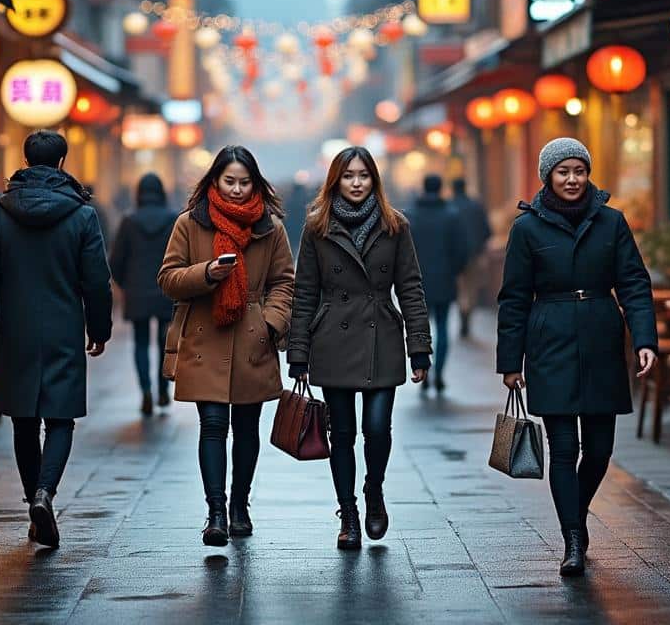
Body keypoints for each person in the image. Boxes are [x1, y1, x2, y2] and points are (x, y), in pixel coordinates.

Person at [496, 137, 658, 578]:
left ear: (588, 174)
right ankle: (572, 539)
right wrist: (510, 363)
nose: (572, 179)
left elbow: (634, 283)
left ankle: (577, 512)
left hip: (602, 338)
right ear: (548, 176)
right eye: (563, 171)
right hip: (550, 342)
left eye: (579, 171)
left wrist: (644, 339)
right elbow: (514, 298)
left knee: (600, 450)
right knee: (564, 449)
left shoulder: (611, 222)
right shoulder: (527, 229)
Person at [0, 130, 113, 549]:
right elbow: (96, 281)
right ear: (63, 163)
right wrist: (98, 329)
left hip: (14, 330)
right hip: (63, 328)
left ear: (26, 160)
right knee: (60, 419)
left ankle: (34, 497)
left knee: (24, 420)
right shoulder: (82, 216)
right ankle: (45, 494)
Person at [287, 146, 431, 550]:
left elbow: (411, 287)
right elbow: (305, 292)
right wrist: (298, 352)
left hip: (381, 334)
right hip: (333, 337)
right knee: (343, 434)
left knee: (377, 428)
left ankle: (374, 489)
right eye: (348, 176)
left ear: (374, 180)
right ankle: (348, 513)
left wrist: (419, 346)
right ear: (335, 180)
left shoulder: (395, 225)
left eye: (363, 175)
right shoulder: (317, 226)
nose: (356, 183)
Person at [157, 145, 294, 547]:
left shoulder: (270, 228)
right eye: (229, 181)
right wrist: (207, 274)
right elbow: (168, 278)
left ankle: (239, 505)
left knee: (247, 428)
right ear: (214, 181)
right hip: (206, 334)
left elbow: (285, 282)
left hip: (253, 337)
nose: (236, 189)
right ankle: (216, 511)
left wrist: (271, 322)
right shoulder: (189, 223)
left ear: (256, 184)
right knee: (213, 425)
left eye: (244, 182)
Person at [109, 173, 178, 416]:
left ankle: (146, 391)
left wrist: (125, 285)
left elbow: (116, 260)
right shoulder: (173, 219)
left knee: (140, 343)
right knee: (164, 342)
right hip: (166, 290)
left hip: (137, 291)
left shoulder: (129, 221)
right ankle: (163, 389)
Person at [403, 174, 466, 394]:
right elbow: (462, 250)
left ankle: (424, 370)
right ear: (440, 188)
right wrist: (453, 270)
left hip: (416, 282)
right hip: (444, 279)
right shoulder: (451, 215)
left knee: (422, 327)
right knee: (442, 326)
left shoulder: (411, 215)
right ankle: (439, 372)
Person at [450, 177, 492, 337]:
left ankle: (463, 313)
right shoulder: (476, 206)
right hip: (474, 254)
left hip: (454, 257)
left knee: (460, 287)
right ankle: (467, 316)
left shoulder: (449, 206)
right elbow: (487, 230)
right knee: (471, 287)